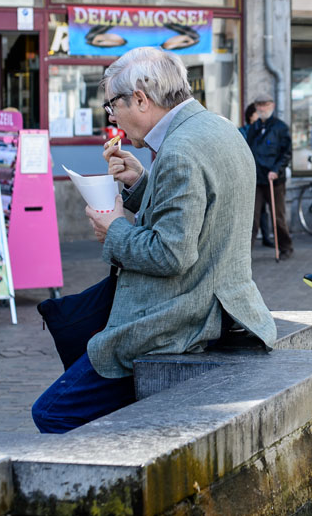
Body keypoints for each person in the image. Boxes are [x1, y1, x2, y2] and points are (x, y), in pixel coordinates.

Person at [31, 47, 276, 433]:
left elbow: (171, 253)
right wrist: (141, 183)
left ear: (141, 99)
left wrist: (114, 230)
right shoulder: (218, 128)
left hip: (182, 318)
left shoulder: (179, 150)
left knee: (52, 412)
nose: (112, 117)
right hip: (224, 304)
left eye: (113, 105)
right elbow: (204, 214)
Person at [245, 93, 293, 259]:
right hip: (257, 178)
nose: (262, 108)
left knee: (278, 217)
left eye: (265, 104)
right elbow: (248, 150)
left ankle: (285, 247)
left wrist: (276, 170)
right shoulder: (254, 127)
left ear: (272, 105)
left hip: (274, 179)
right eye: (259, 105)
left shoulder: (280, 128)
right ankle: (245, 253)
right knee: (252, 217)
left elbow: (286, 153)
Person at [239, 103, 274, 247]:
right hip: (250, 173)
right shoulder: (245, 131)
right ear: (251, 115)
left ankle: (266, 236)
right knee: (254, 209)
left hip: (262, 173)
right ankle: (250, 241)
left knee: (263, 208)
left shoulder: (262, 130)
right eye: (257, 112)